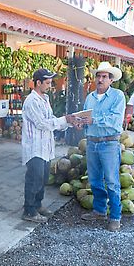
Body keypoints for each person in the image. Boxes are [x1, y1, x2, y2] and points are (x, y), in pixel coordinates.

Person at [21, 68, 80, 223]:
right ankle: (29, 210)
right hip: (34, 147)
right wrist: (64, 120)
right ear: (38, 82)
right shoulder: (31, 101)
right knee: (34, 178)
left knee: (43, 178)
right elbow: (42, 123)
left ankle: (37, 205)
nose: (50, 85)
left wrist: (68, 122)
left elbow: (51, 119)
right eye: (47, 82)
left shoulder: (45, 99)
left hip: (45, 147)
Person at [79, 62, 126, 232]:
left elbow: (115, 119)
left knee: (112, 181)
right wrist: (81, 123)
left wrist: (94, 120)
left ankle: (115, 216)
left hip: (109, 143)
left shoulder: (118, 96)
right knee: (95, 179)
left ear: (111, 80)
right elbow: (86, 117)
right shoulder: (90, 97)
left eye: (104, 77)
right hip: (92, 142)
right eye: (98, 76)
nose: (100, 79)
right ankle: (99, 211)